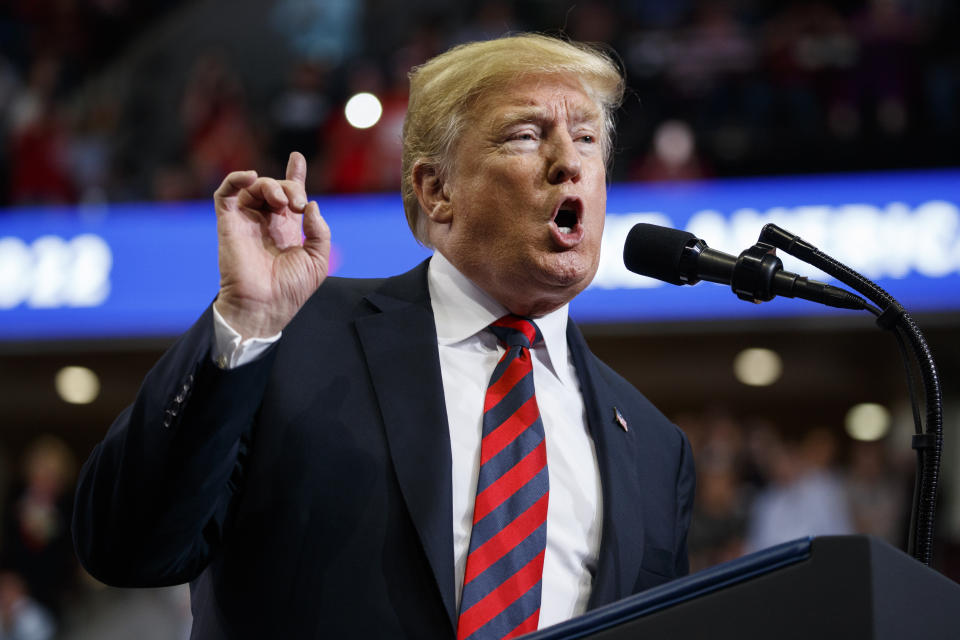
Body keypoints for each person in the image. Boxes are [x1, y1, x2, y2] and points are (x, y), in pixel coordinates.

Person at [72, 34, 694, 639]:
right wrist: (245, 324)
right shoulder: (293, 336)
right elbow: (127, 545)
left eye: (587, 139)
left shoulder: (657, 451)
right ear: (436, 190)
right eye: (526, 136)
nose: (570, 164)